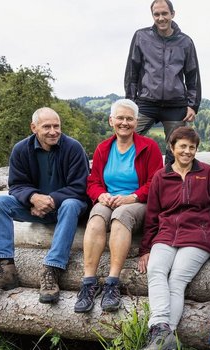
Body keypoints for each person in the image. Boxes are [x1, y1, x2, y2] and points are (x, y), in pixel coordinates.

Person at [0, 107, 90, 304]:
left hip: (65, 208)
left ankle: (52, 269)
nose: (53, 131)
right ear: (34, 127)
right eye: (47, 127)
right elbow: (16, 185)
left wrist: (50, 200)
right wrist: (33, 197)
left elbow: (80, 187)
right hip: (34, 207)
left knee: (70, 204)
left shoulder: (73, 148)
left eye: (56, 126)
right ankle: (5, 268)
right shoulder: (21, 149)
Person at [137, 126, 210, 350]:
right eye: (182, 146)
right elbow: (152, 214)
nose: (187, 151)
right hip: (166, 234)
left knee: (176, 280)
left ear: (196, 149)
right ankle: (162, 331)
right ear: (172, 147)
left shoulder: (206, 173)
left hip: (198, 235)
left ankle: (160, 338)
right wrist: (146, 248)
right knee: (156, 270)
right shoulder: (162, 176)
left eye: (192, 147)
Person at [74, 99, 163, 313]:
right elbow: (93, 181)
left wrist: (132, 196)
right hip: (109, 199)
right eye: (120, 118)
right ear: (111, 121)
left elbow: (156, 182)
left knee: (121, 216)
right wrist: (101, 195)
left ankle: (112, 282)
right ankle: (89, 283)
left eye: (129, 119)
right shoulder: (103, 148)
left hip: (137, 203)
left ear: (136, 121)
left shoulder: (149, 147)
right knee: (95, 218)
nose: (125, 122)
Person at [124, 0, 201, 165]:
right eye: (156, 14)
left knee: (177, 149)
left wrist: (193, 105)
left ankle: (171, 183)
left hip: (176, 105)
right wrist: (130, 103)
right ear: (152, 16)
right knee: (126, 137)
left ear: (172, 14)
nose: (160, 18)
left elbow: (192, 75)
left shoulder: (185, 42)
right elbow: (132, 71)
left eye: (164, 14)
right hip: (146, 101)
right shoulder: (141, 36)